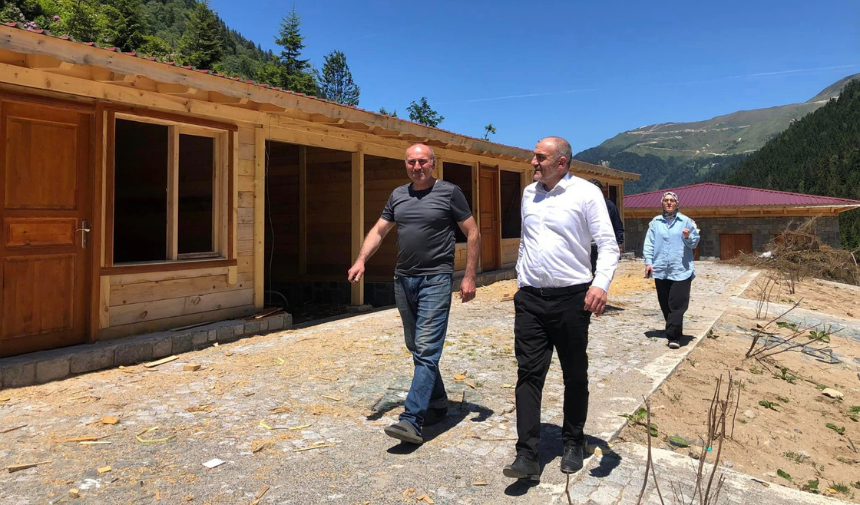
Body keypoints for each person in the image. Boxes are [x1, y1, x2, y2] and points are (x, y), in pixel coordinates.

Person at [503, 137, 619, 481]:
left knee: (574, 373)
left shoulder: (586, 193)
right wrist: (521, 278)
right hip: (530, 300)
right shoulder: (529, 194)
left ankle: (572, 441)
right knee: (528, 374)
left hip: (572, 299)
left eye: (540, 157)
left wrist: (600, 284)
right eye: (534, 156)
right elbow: (527, 241)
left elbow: (608, 244)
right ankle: (527, 454)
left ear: (561, 163)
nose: (533, 162)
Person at [347, 143, 480, 445]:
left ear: (433, 163)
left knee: (426, 348)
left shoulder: (450, 192)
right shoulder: (398, 195)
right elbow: (379, 231)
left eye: (422, 161)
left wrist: (469, 276)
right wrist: (361, 260)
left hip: (436, 279)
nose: (417, 167)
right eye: (411, 162)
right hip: (403, 279)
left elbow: (472, 232)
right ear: (405, 164)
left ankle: (411, 420)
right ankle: (439, 402)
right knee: (416, 346)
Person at [643, 191, 700, 349]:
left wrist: (688, 237)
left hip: (681, 269)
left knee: (678, 303)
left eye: (672, 200)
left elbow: (694, 242)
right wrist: (648, 262)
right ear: (662, 203)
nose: (669, 203)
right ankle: (676, 330)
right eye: (666, 200)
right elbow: (649, 243)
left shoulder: (686, 221)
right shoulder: (656, 223)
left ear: (676, 203)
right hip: (661, 269)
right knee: (665, 304)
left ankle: (673, 337)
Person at [588, 179, 625, 274]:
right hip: (586, 246)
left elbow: (618, 226)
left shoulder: (609, 206)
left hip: (603, 245)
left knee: (601, 273)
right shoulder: (582, 205)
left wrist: (619, 244)